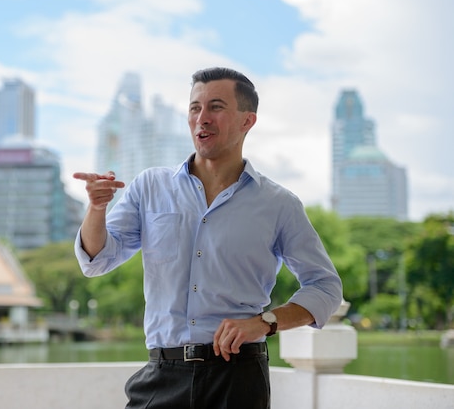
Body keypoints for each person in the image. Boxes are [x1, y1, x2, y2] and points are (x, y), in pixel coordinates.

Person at [73, 66, 343, 409]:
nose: (202, 118)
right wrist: (97, 208)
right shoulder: (150, 187)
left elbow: (325, 287)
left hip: (238, 378)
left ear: (247, 121)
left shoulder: (279, 205)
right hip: (161, 374)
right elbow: (97, 259)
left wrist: (265, 323)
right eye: (194, 108)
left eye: (216, 107)